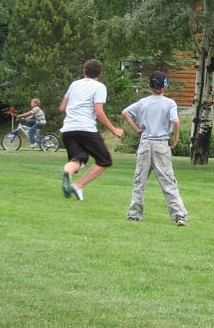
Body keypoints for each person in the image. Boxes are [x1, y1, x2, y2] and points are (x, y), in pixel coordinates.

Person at [122, 71, 188, 226]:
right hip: (161, 145)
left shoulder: (143, 102)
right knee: (168, 182)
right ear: (165, 87)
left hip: (145, 145)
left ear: (149, 86)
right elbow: (176, 121)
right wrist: (175, 139)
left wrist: (137, 129)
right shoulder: (169, 103)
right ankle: (179, 215)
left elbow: (125, 113)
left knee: (140, 181)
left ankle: (134, 214)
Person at [60, 59, 124, 201]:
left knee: (78, 159)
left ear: (84, 72)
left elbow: (62, 108)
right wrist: (114, 129)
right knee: (104, 160)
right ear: (100, 74)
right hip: (86, 128)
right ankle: (78, 186)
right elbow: (99, 112)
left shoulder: (74, 84)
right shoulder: (99, 87)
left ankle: (67, 172)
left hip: (69, 129)